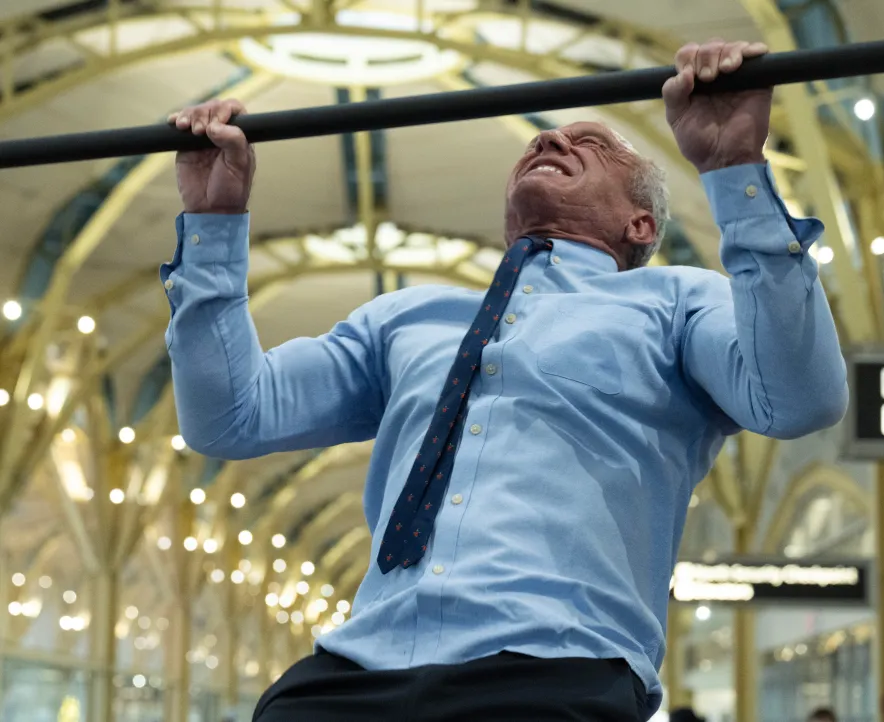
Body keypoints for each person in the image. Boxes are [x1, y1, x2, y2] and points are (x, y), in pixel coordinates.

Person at [164, 39, 847, 722]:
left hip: (555, 670)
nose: (549, 135)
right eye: (545, 139)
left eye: (595, 144)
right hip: (357, 667)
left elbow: (799, 398)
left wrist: (735, 171)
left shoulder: (675, 302)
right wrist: (212, 225)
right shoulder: (406, 316)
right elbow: (230, 415)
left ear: (639, 224)